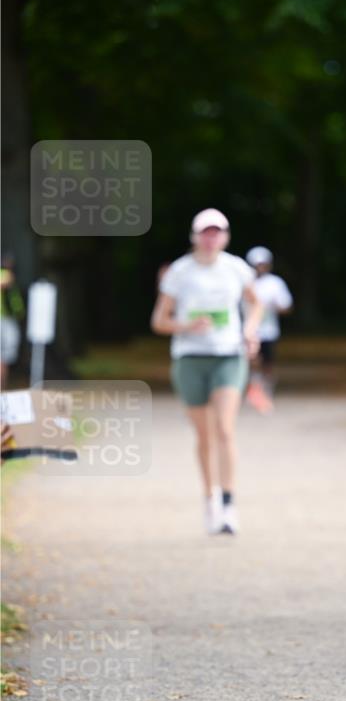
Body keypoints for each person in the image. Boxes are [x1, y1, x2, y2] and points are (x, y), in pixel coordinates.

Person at [151, 209, 262, 535]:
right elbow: (159, 321)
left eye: (217, 232)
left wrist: (250, 331)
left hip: (228, 356)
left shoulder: (236, 268)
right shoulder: (180, 272)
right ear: (195, 236)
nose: (211, 238)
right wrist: (186, 325)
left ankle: (229, 503)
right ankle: (209, 498)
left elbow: (255, 304)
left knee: (225, 429)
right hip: (189, 358)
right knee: (204, 436)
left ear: (225, 236)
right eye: (205, 232)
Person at [244, 246, 293, 412]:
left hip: (269, 330)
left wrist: (274, 306)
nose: (260, 268)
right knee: (252, 361)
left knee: (267, 364)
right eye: (257, 264)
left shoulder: (275, 283)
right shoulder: (244, 281)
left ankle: (265, 391)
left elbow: (287, 306)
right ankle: (254, 391)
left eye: (263, 264)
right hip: (248, 330)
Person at [0, 254, 25, 388]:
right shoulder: (4, 274)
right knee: (3, 356)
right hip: (4, 320)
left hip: (9, 319)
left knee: (5, 357)